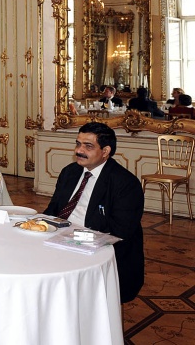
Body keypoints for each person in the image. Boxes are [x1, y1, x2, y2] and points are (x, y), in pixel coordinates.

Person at [44, 122, 144, 304]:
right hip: (60, 239)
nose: (79, 150)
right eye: (78, 144)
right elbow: (53, 210)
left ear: (105, 151)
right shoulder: (70, 172)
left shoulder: (125, 183)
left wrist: (73, 237)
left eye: (88, 146)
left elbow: (120, 232)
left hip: (97, 249)